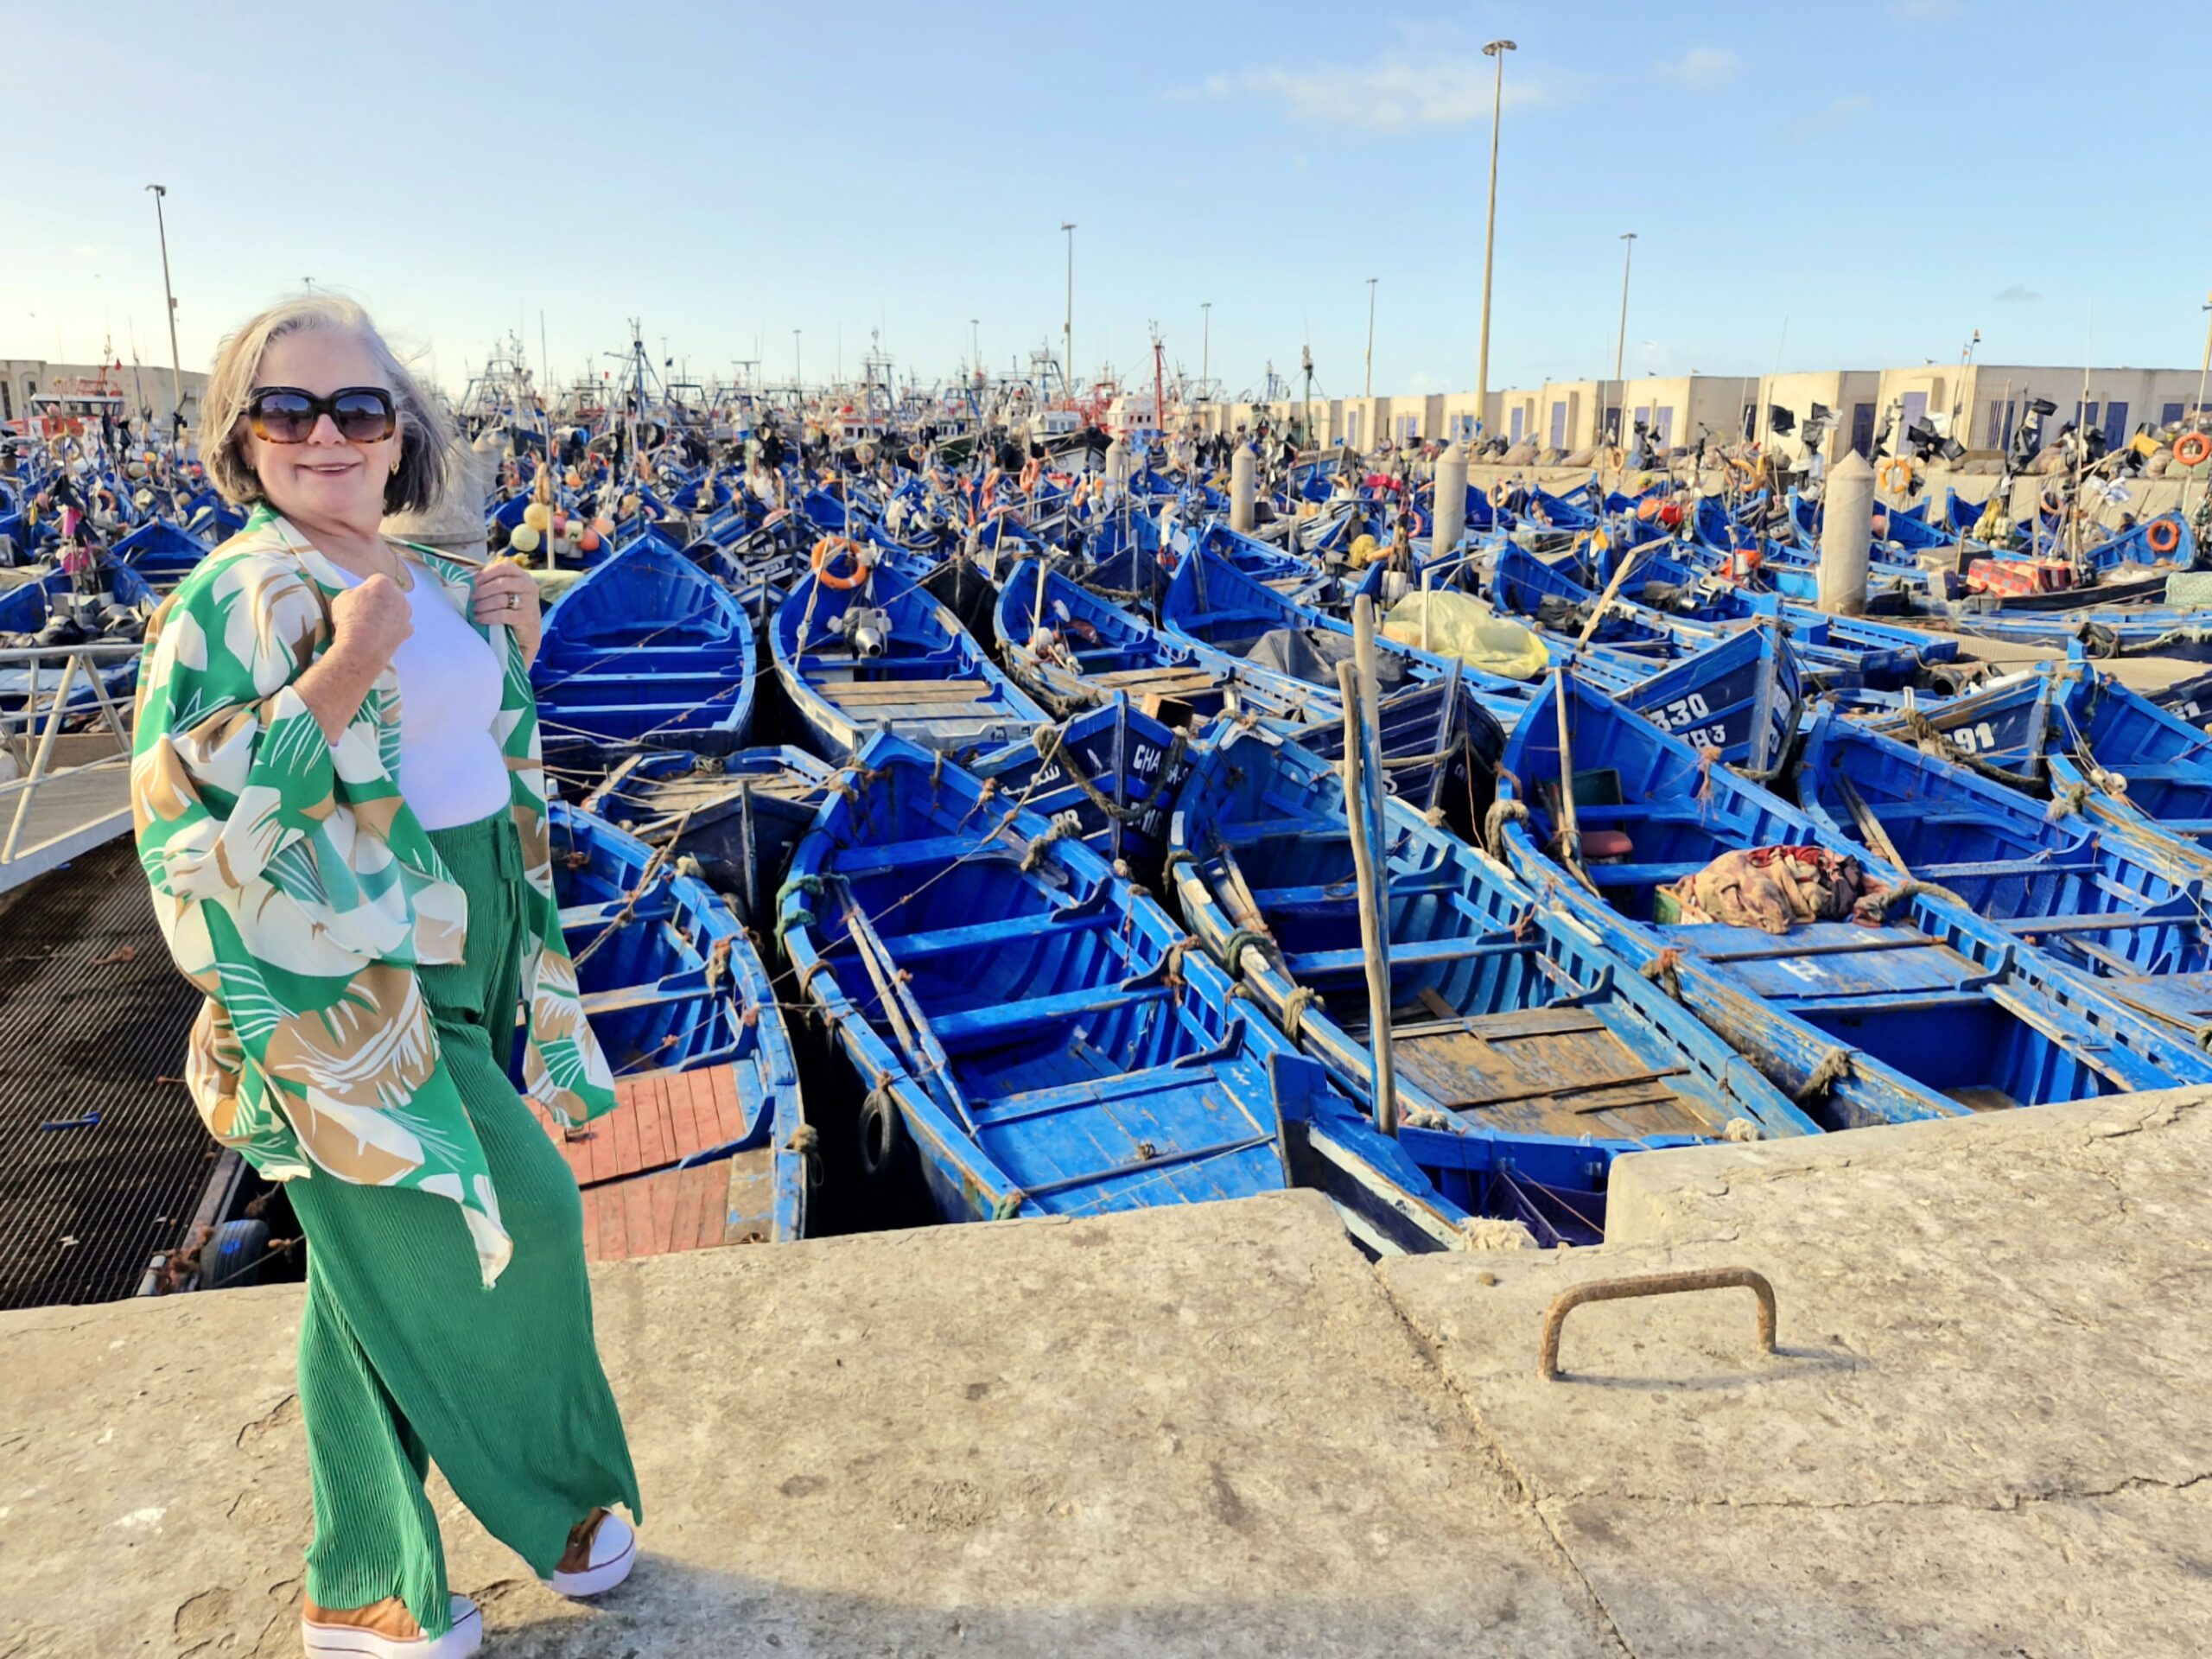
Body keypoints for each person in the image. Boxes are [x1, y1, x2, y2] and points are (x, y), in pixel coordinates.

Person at [131, 296, 640, 1659]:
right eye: (287, 410)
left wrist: (506, 647)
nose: (327, 434)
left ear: (400, 432)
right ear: (243, 437)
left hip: (465, 926)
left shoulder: (400, 564)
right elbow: (194, 826)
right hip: (349, 972)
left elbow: (466, 757)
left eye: (359, 409)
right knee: (509, 1205)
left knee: (371, 1271)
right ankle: (550, 1501)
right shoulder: (241, 595)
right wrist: (344, 670)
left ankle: (361, 1585)